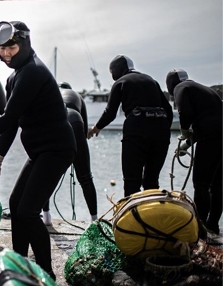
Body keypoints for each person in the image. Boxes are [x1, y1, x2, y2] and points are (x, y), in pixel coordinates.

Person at [0, 21, 76, 279]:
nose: (6, 53)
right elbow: (12, 122)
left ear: (25, 42)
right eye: (1, 48)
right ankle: (19, 266)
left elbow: (7, 118)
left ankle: (46, 275)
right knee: (15, 204)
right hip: (39, 152)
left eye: (12, 46)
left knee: (28, 212)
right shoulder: (15, 76)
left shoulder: (33, 71)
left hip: (56, 149)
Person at [88, 55, 173, 197]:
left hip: (136, 129)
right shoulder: (152, 81)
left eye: (111, 72)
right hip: (161, 131)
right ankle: (151, 216)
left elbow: (110, 113)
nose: (112, 76)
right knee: (152, 180)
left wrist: (95, 128)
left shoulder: (121, 82)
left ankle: (133, 217)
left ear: (118, 69)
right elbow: (168, 111)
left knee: (132, 182)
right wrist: (162, 130)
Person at [166, 69, 222, 234]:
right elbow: (210, 122)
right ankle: (212, 224)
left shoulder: (181, 88)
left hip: (210, 139)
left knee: (201, 184)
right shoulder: (203, 90)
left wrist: (183, 133)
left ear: (170, 84)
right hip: (218, 137)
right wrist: (187, 146)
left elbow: (186, 112)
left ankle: (200, 228)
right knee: (217, 186)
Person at [42, 82, 98, 224]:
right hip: (74, 119)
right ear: (70, 89)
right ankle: (94, 221)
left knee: (46, 175)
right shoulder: (78, 96)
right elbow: (84, 132)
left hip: (54, 122)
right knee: (85, 177)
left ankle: (46, 216)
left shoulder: (52, 92)